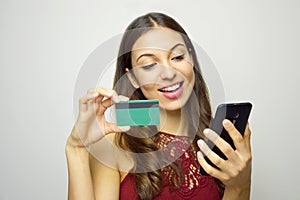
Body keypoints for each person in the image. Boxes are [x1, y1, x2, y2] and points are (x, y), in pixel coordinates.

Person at [66, 12, 252, 200]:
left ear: (192, 59)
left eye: (178, 57)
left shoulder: (221, 140)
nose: (168, 74)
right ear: (132, 78)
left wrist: (240, 184)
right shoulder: (115, 146)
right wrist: (76, 148)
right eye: (148, 65)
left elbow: (238, 190)